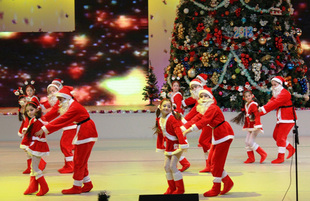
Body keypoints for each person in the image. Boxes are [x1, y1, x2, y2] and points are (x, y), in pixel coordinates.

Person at [35, 86, 98, 194]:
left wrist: (44, 129)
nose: (58, 102)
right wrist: (43, 121)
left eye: (60, 100)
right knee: (81, 160)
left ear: (66, 98)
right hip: (84, 131)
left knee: (79, 160)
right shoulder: (70, 104)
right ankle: (87, 183)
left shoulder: (74, 107)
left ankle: (77, 186)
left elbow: (61, 120)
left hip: (86, 132)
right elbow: (56, 113)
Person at [183, 89, 234, 197]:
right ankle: (227, 181)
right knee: (211, 162)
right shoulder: (204, 109)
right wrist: (182, 128)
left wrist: (188, 131)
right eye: (201, 96)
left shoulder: (212, 108)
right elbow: (196, 119)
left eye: (206, 96)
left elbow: (204, 121)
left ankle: (216, 188)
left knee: (216, 163)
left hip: (224, 135)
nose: (203, 98)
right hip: (217, 135)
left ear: (210, 97)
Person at [154, 99, 189, 194]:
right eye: (164, 106)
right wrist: (160, 146)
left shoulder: (172, 118)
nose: (166, 108)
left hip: (177, 144)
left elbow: (178, 131)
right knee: (166, 167)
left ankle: (180, 189)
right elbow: (160, 134)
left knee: (172, 166)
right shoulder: (159, 119)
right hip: (169, 145)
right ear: (160, 107)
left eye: (169, 106)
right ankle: (172, 188)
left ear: (171, 109)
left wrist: (182, 144)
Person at [41, 81, 77, 173]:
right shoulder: (61, 100)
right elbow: (53, 111)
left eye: (54, 90)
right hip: (68, 126)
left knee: (65, 145)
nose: (52, 93)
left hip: (71, 126)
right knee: (65, 145)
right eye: (50, 92)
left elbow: (53, 112)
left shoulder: (62, 100)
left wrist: (42, 120)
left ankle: (70, 166)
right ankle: (68, 165)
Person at [259, 76, 296, 164]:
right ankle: (291, 148)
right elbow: (270, 103)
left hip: (288, 118)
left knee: (280, 138)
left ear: (280, 84)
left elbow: (275, 103)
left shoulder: (285, 94)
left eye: (275, 85)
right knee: (276, 135)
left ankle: (280, 157)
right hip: (282, 118)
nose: (273, 87)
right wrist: (258, 113)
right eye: (272, 85)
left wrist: (263, 109)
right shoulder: (276, 93)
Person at [182, 78, 214, 172]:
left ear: (200, 86)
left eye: (196, 86)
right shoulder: (200, 98)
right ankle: (209, 165)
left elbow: (201, 114)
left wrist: (186, 125)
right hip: (207, 123)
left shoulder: (206, 95)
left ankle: (212, 162)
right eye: (192, 87)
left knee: (203, 141)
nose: (194, 89)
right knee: (205, 143)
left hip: (211, 123)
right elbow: (196, 112)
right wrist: (185, 123)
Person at [231, 90, 267, 163]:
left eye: (249, 96)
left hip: (255, 126)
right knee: (247, 142)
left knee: (250, 142)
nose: (248, 97)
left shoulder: (253, 104)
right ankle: (251, 158)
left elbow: (257, 115)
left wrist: (257, 125)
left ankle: (263, 154)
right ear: (244, 98)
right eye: (246, 96)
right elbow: (247, 117)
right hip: (250, 126)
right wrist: (247, 126)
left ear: (252, 96)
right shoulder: (246, 105)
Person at [22, 99, 49, 196]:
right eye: (28, 111)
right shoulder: (33, 120)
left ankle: (44, 187)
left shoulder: (38, 121)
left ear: (37, 110)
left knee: (35, 167)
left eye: (31, 110)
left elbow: (36, 133)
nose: (29, 112)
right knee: (33, 168)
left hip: (38, 146)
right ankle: (32, 187)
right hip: (34, 145)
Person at [169, 81, 190, 172]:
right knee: (174, 142)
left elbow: (178, 107)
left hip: (176, 118)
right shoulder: (172, 95)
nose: (176, 87)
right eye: (174, 85)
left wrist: (174, 114)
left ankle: (179, 163)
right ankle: (182, 163)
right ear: (172, 87)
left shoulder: (177, 95)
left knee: (175, 141)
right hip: (175, 116)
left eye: (177, 85)